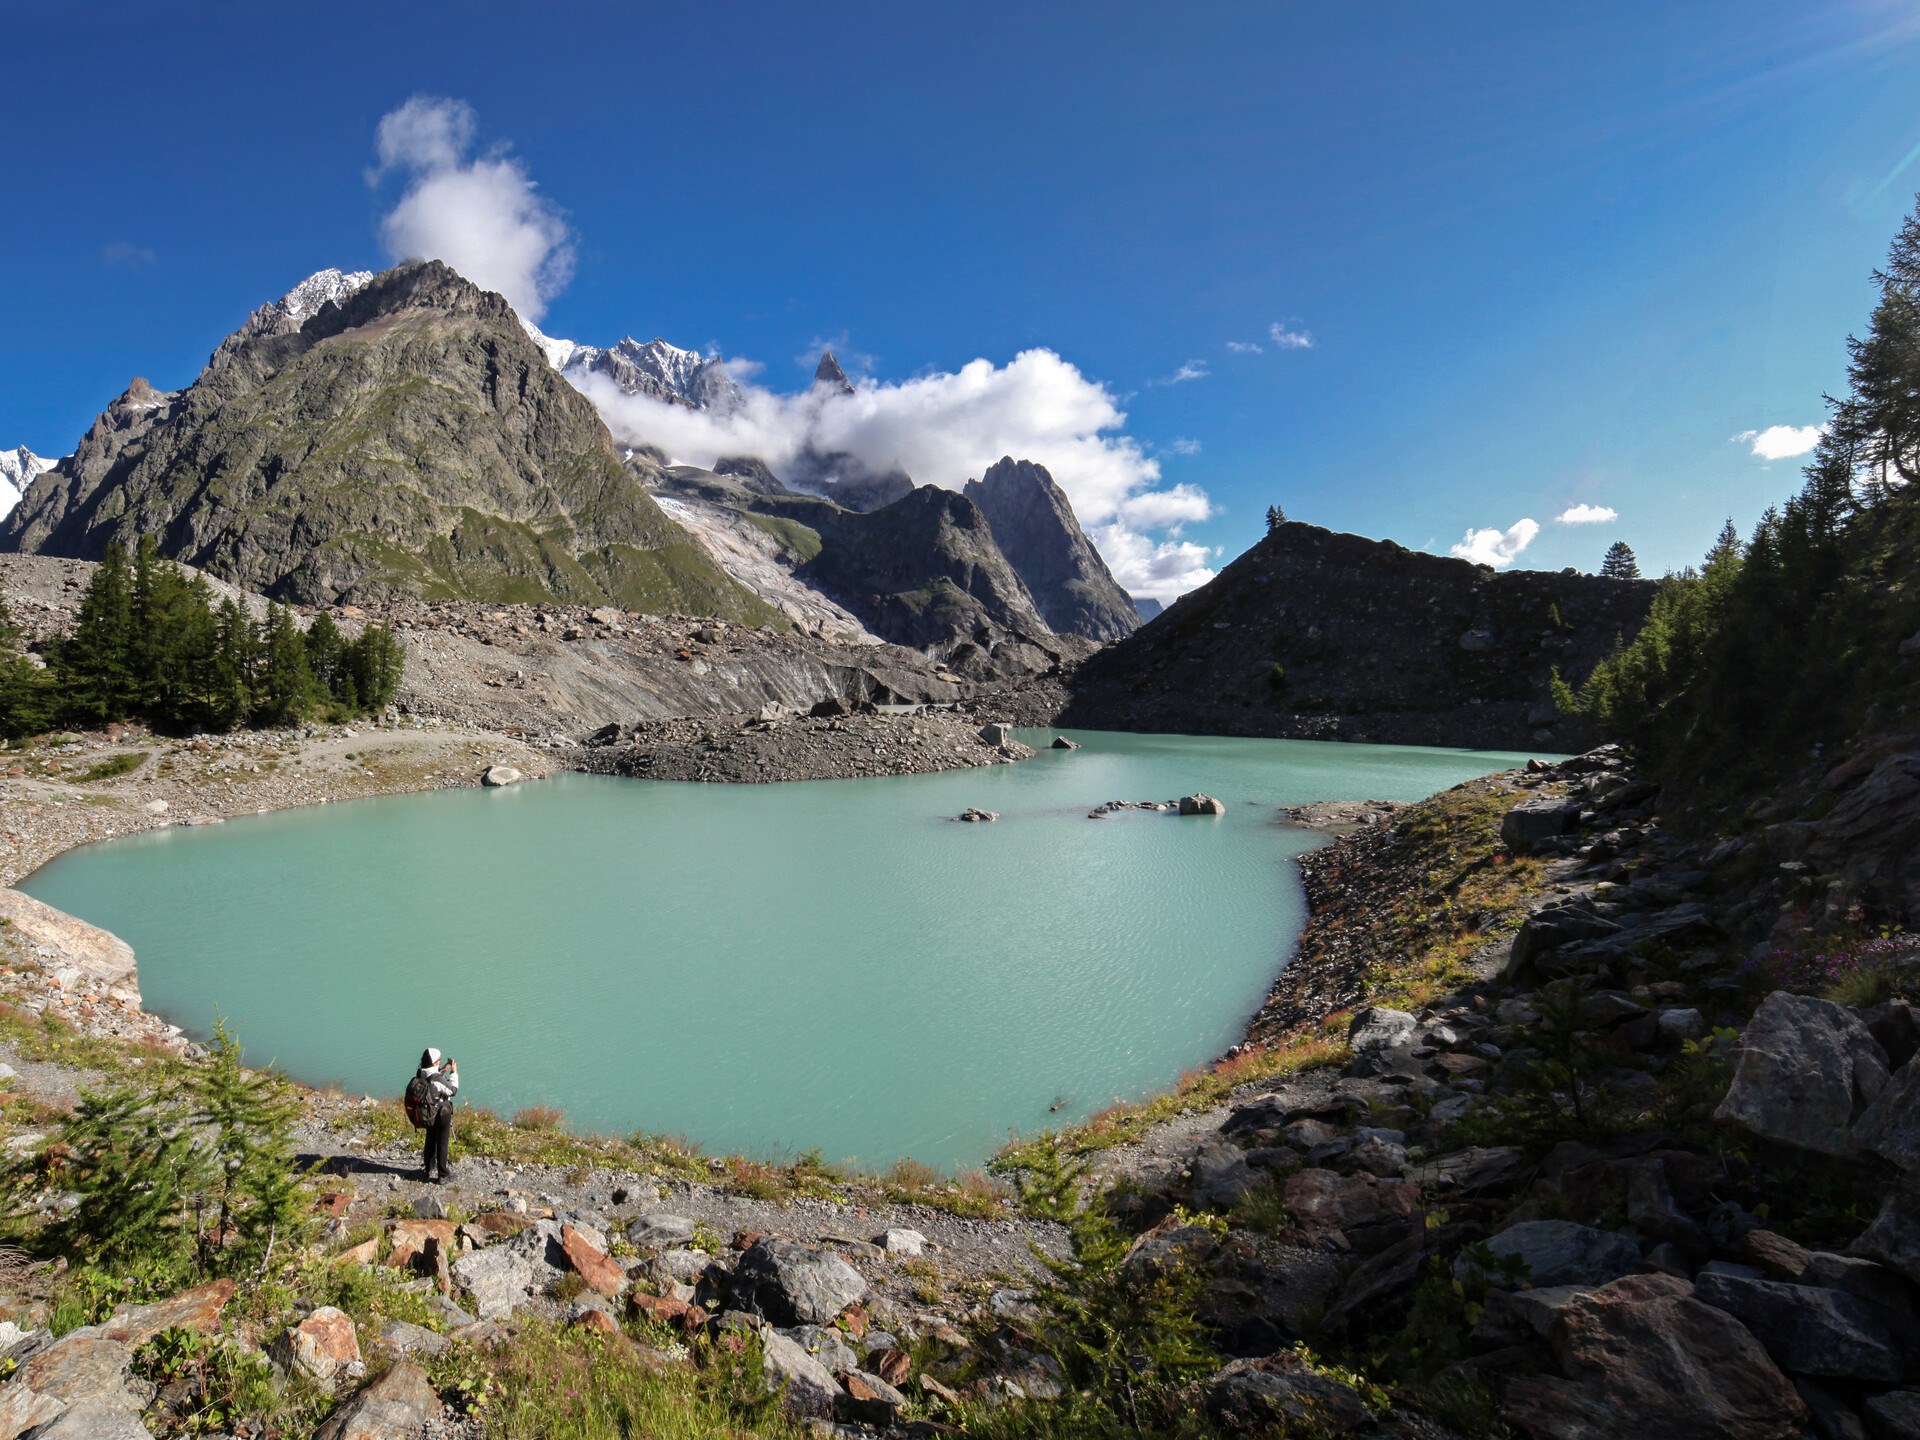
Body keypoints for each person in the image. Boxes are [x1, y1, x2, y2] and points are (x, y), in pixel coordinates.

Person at [416, 1047, 459, 1183]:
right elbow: (452, 1090)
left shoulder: (420, 1073)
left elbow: (431, 1079)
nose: (440, 1060)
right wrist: (453, 1072)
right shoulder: (438, 1079)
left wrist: (441, 1070)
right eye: (439, 1059)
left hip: (428, 1112)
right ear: (435, 1062)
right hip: (442, 1113)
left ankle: (428, 1169)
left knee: (430, 1139)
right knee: (442, 1142)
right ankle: (443, 1175)